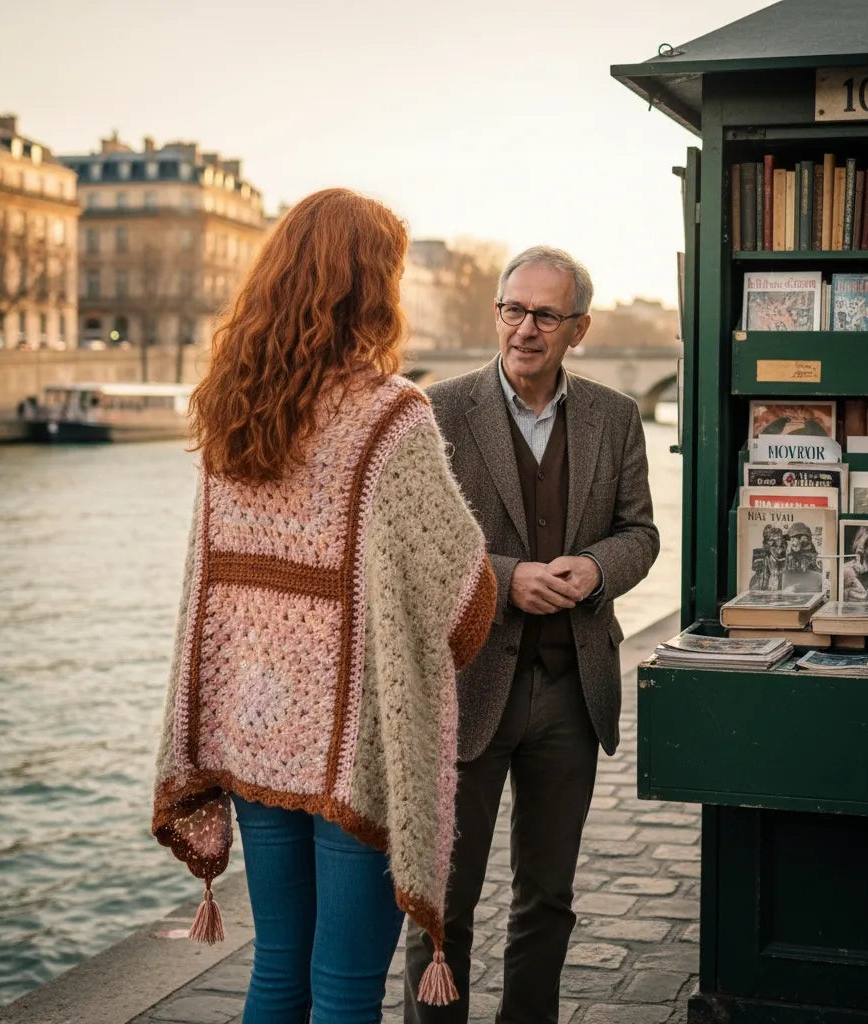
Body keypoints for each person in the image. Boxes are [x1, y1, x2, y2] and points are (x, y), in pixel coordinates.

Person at [151, 188, 497, 1024]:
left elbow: (209, 590)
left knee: (277, 966)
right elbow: (465, 597)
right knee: (345, 988)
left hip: (254, 730)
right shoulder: (391, 418)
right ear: (370, 287)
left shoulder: (228, 415)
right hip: (353, 741)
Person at [404, 246, 660, 1023]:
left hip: (571, 694)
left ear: (578, 329)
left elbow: (640, 534)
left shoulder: (615, 417)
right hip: (467, 689)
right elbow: (412, 548)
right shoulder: (436, 411)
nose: (525, 328)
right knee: (443, 905)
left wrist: (594, 567)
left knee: (547, 898)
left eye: (546, 315)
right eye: (513, 309)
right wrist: (505, 577)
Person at [781, 521, 823, 594]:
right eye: (791, 539)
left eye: (793, 538)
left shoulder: (817, 574)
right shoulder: (787, 570)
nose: (792, 542)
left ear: (803, 538)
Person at [749, 524, 787, 591]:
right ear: (766, 545)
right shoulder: (759, 573)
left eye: (780, 540)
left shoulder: (788, 562)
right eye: (772, 541)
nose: (778, 544)